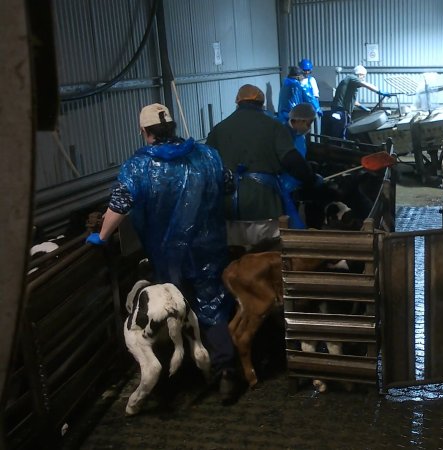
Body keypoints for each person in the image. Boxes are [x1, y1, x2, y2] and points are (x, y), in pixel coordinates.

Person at [85, 103, 243, 404]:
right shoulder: (206, 154)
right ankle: (225, 370)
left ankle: (178, 378)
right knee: (212, 305)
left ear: (145, 132)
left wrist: (101, 235)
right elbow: (228, 184)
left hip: (167, 255)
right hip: (208, 249)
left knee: (173, 306)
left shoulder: (139, 165)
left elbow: (121, 202)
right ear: (171, 127)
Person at [206, 84, 318, 248]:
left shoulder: (218, 129)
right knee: (265, 256)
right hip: (264, 204)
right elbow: (292, 161)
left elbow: (208, 165)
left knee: (235, 256)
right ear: (262, 103)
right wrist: (311, 179)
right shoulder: (274, 127)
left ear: (237, 102)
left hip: (228, 205)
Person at [323, 65, 388, 138]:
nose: (363, 78)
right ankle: (339, 147)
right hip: (341, 110)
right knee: (341, 132)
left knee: (341, 131)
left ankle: (339, 145)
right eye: (363, 76)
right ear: (359, 74)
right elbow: (365, 84)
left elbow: (352, 100)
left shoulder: (349, 82)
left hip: (340, 110)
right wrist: (379, 91)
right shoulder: (352, 78)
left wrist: (362, 107)